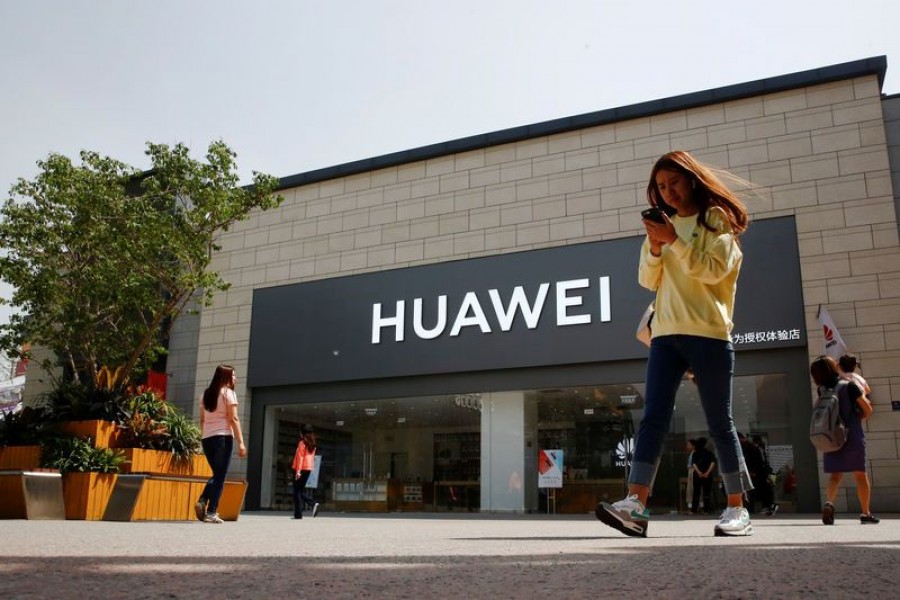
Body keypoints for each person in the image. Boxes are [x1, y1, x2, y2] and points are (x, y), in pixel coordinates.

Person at [596, 150, 754, 537]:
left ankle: (737, 508)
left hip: (709, 332)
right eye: (661, 187)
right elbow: (647, 281)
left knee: (720, 422)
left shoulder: (716, 220)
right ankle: (635, 504)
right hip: (665, 334)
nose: (668, 192)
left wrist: (674, 241)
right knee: (652, 417)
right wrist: (655, 248)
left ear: (692, 179)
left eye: (674, 183)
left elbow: (713, 270)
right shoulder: (662, 227)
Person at [810, 355, 878, 525]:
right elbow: (867, 409)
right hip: (852, 433)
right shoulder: (849, 386)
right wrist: (858, 418)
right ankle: (865, 513)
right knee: (860, 474)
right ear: (834, 367)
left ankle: (829, 503)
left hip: (831, 436)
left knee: (835, 474)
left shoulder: (822, 390)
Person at [195, 365, 247, 524]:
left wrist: (204, 436)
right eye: (233, 376)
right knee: (220, 476)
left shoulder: (205, 394)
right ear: (226, 378)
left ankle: (203, 501)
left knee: (217, 474)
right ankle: (211, 512)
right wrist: (241, 443)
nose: (235, 379)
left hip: (207, 439)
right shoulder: (228, 394)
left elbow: (203, 419)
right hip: (223, 438)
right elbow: (233, 419)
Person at [291, 424, 320, 519]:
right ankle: (299, 513)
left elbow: (300, 457)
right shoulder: (313, 443)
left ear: (302, 433)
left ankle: (311, 504)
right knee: (299, 491)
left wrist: (298, 471)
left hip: (301, 468)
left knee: (297, 491)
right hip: (308, 469)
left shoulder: (302, 443)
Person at [689, 437, 716, 514]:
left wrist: (699, 472)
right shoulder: (709, 453)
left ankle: (694, 510)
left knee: (696, 493)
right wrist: (707, 472)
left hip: (697, 475)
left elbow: (694, 464)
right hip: (708, 475)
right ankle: (706, 510)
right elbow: (712, 463)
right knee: (706, 493)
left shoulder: (695, 453)